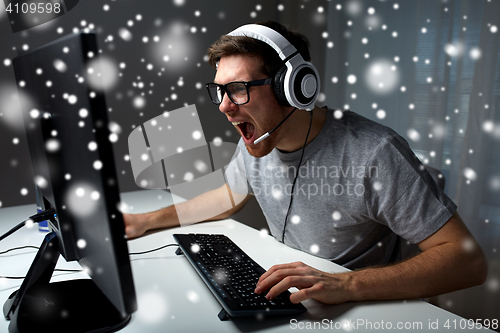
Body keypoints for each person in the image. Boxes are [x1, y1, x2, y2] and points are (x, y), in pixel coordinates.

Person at [124, 21, 487, 305]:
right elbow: (228, 195)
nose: (224, 106)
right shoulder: (257, 137)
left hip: (358, 307)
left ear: (294, 87)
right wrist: (143, 221)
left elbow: (467, 262)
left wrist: (347, 283)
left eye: (238, 89)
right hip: (298, 298)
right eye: (219, 90)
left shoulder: (374, 152)